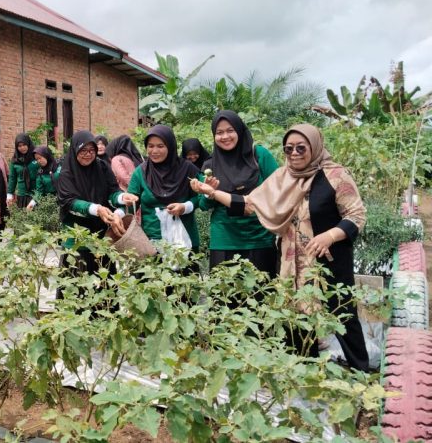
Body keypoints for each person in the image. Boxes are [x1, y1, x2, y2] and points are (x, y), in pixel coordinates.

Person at [190, 124, 369, 371]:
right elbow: (251, 204)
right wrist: (213, 192)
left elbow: (356, 214)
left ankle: (360, 368)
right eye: (288, 149)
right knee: (295, 312)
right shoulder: (282, 177)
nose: (294, 153)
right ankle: (304, 368)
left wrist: (330, 235)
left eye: (300, 147)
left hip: (327, 259)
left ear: (315, 146)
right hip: (290, 259)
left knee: (341, 310)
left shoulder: (335, 175)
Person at [199, 110, 280, 277]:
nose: (225, 136)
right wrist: (208, 192)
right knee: (224, 297)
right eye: (219, 132)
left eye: (230, 130)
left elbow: (278, 188)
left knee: (261, 295)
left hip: (259, 237)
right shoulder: (210, 165)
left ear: (240, 130)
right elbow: (203, 205)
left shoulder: (259, 156)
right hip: (224, 239)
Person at [56, 130, 126, 301]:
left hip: (102, 237)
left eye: (91, 150)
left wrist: (122, 199)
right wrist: (96, 209)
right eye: (83, 151)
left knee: (105, 287)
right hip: (77, 239)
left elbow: (112, 191)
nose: (88, 155)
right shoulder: (65, 173)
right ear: (74, 151)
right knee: (75, 289)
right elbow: (69, 202)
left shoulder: (102, 167)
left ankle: (104, 325)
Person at [123, 125, 202, 253]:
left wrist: (185, 207)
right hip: (151, 243)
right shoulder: (141, 172)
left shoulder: (187, 169)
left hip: (184, 241)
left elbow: (203, 195)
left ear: (170, 147)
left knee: (186, 273)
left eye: (160, 146)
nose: (154, 151)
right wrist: (123, 206)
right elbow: (130, 203)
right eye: (150, 146)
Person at [7, 133, 39, 209]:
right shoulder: (15, 160)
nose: (22, 148)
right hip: (22, 195)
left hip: (35, 194)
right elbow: (12, 178)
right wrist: (9, 194)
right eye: (19, 146)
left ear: (28, 144)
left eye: (24, 145)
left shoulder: (36, 157)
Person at [25, 146, 58, 211]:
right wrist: (32, 203)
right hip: (51, 202)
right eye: (36, 159)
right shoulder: (40, 173)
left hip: (66, 199)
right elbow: (39, 192)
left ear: (46, 155)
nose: (38, 161)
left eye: (40, 158)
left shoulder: (59, 165)